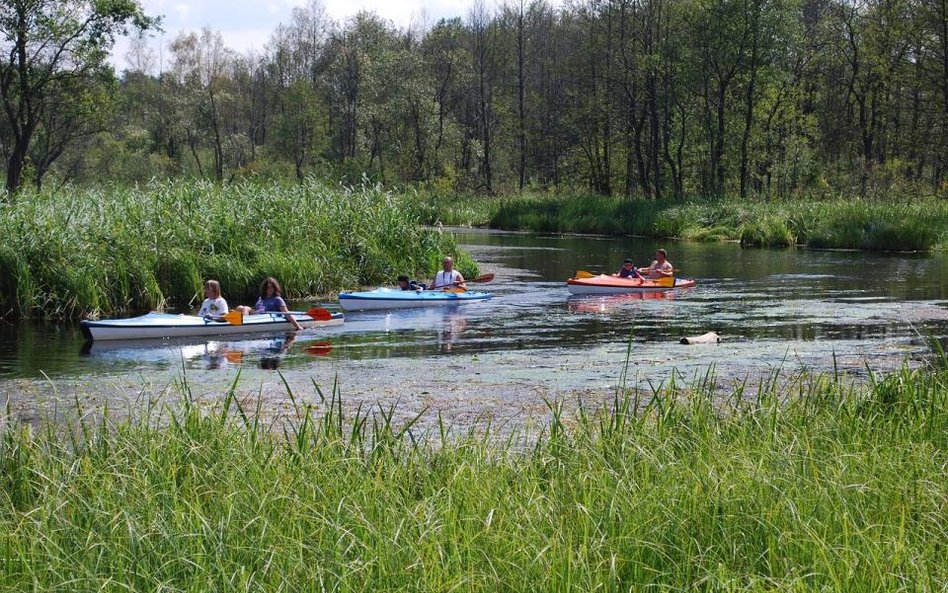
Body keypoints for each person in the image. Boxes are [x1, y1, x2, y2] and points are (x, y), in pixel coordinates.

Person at [235, 277, 302, 330]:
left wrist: (298, 326)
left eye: (271, 287)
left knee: (245, 308)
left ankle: (242, 325)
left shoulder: (278, 299)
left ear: (275, 288)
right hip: (257, 316)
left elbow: (286, 313)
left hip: (265, 317)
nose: (269, 289)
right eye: (267, 287)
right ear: (265, 288)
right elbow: (257, 309)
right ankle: (230, 320)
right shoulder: (261, 298)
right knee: (240, 307)